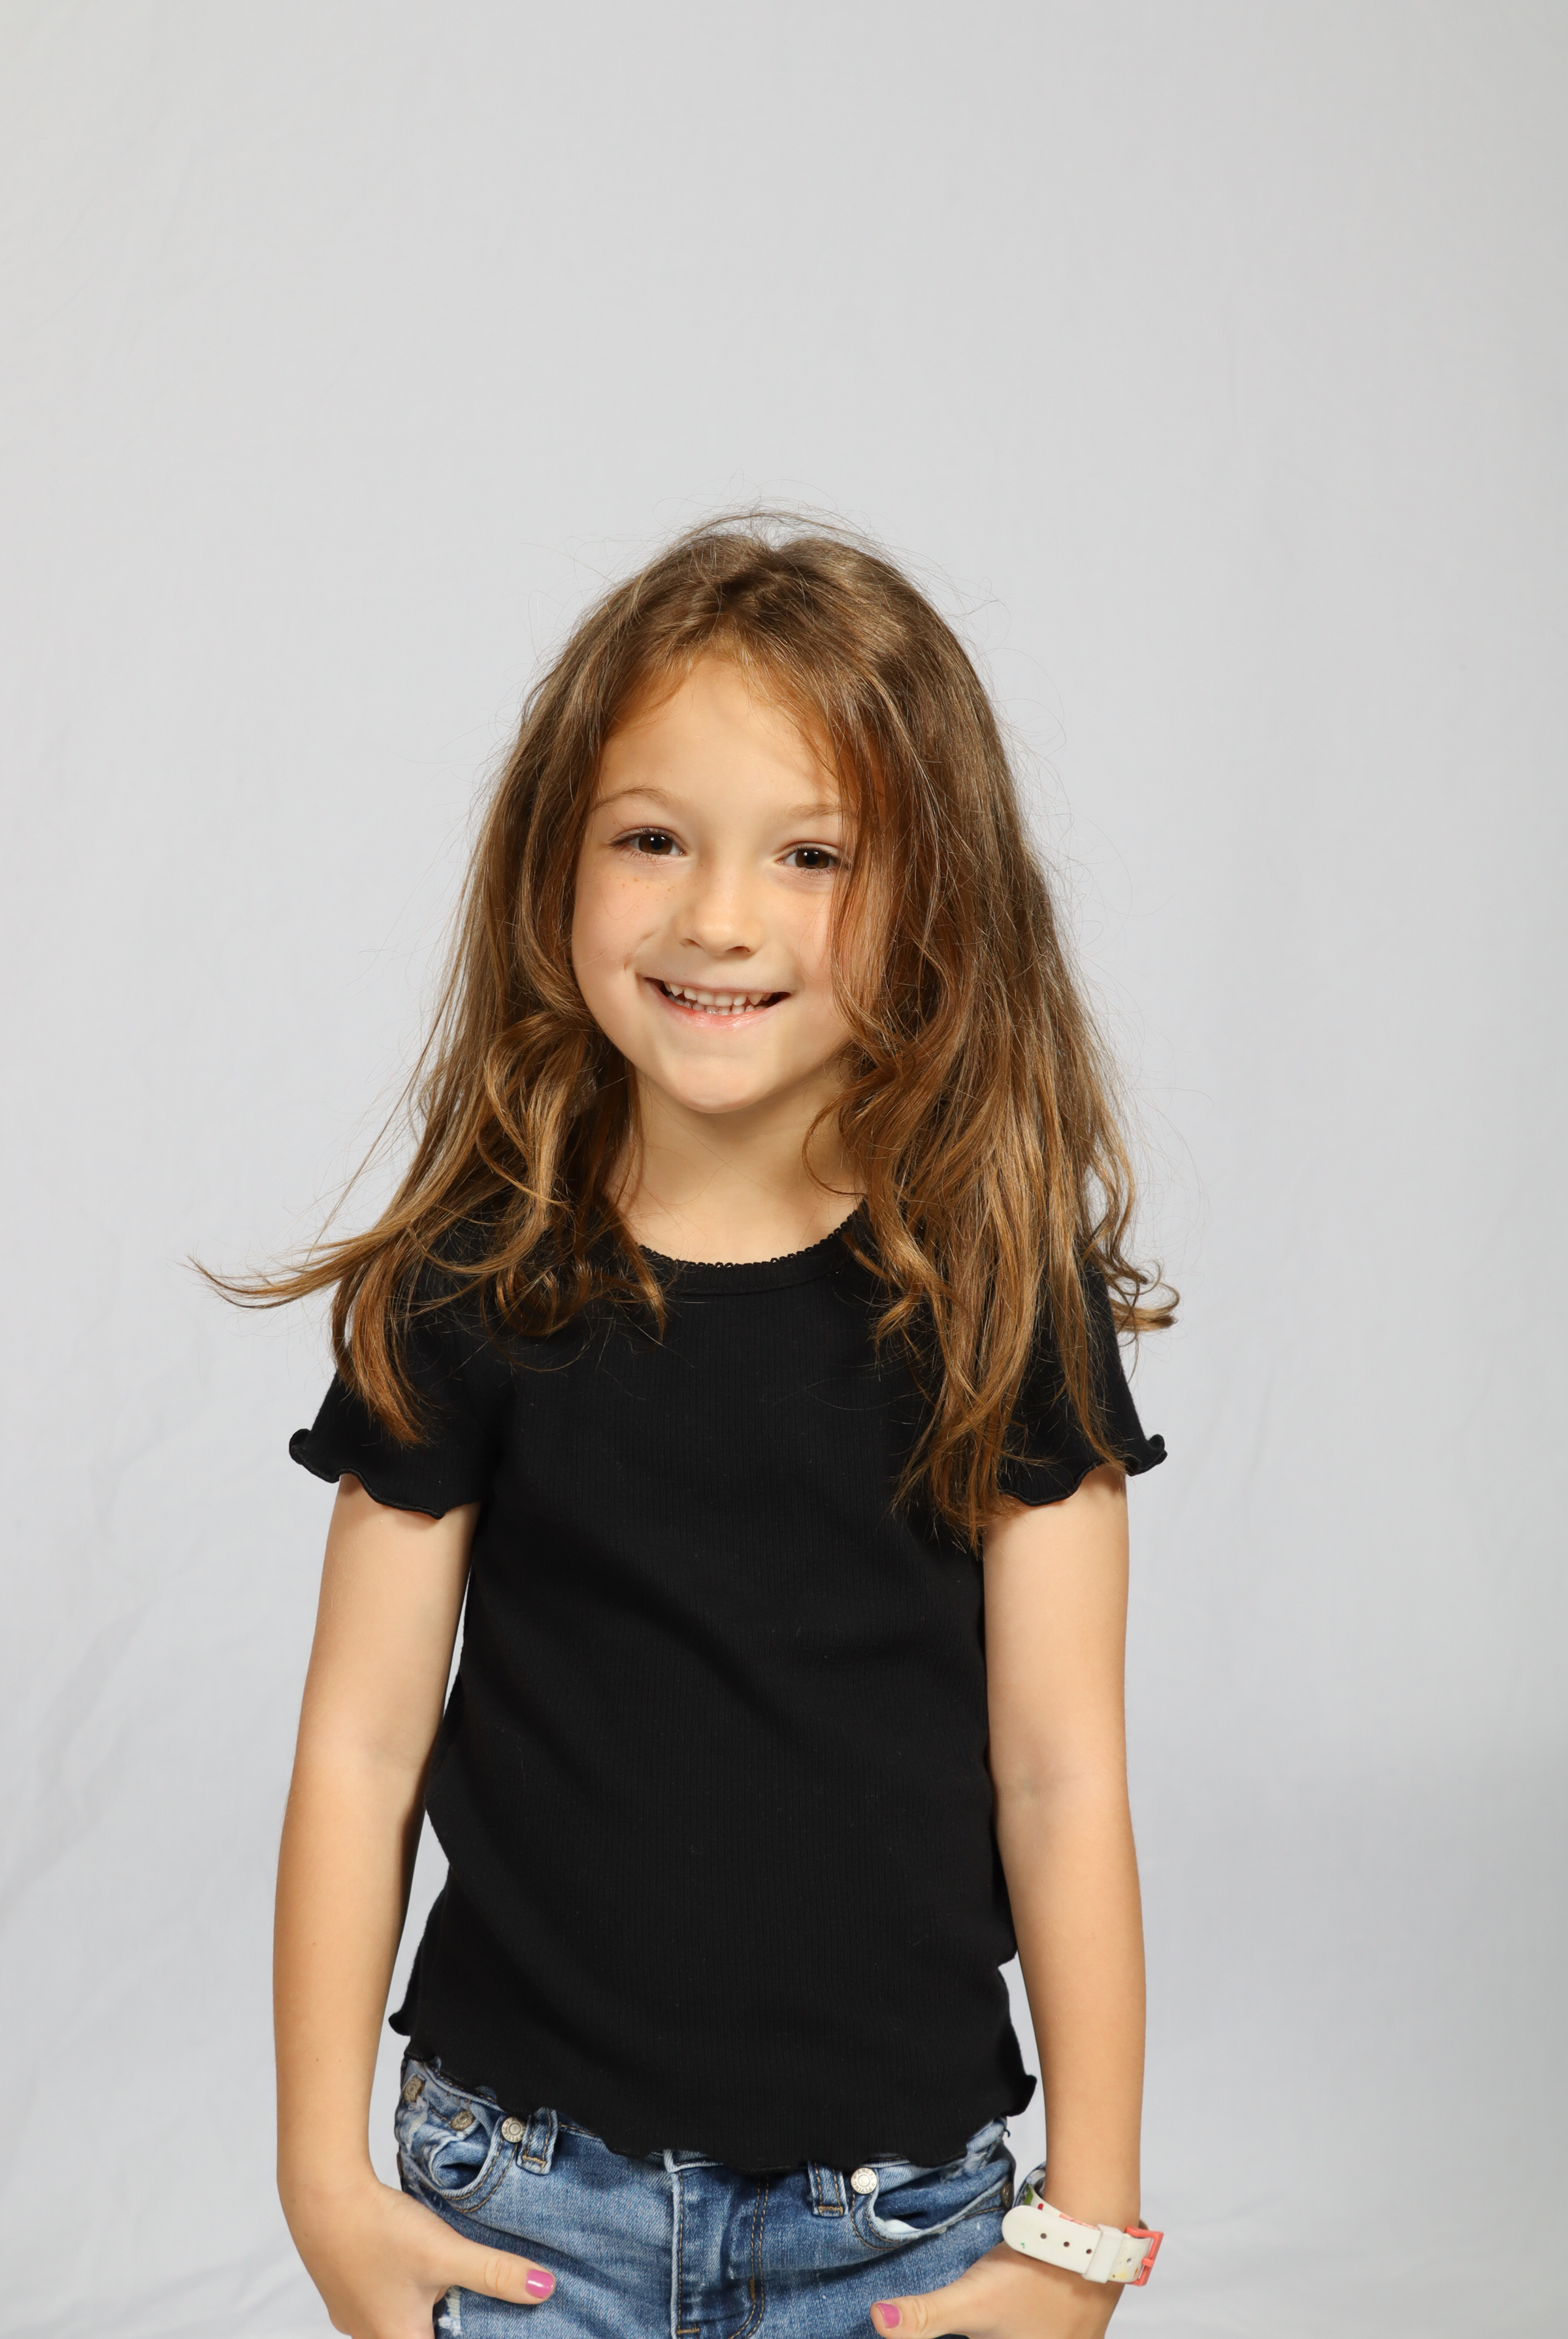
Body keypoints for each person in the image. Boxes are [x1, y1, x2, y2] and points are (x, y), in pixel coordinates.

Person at [235, 517, 1172, 2339]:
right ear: (554, 864)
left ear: (939, 898)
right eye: (652, 838)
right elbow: (358, 1744)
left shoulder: (1002, 1297)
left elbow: (1064, 1777)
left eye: (813, 854)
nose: (718, 917)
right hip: (520, 2190)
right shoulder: (472, 1276)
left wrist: (1087, 2236)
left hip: (896, 2222)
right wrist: (323, 2185)